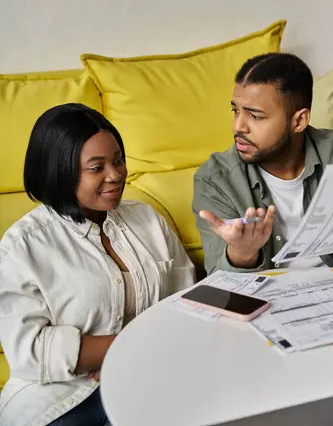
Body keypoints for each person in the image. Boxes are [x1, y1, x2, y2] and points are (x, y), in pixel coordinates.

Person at [0, 104, 195, 426]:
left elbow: (185, 304)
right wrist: (127, 350)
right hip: (61, 399)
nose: (116, 174)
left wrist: (133, 359)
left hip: (151, 378)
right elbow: (30, 352)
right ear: (60, 171)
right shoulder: (23, 247)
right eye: (96, 167)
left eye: (118, 160)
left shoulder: (147, 220)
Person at [193, 53, 333, 275]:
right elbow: (220, 284)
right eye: (236, 110)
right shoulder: (216, 180)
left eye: (255, 116)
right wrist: (242, 254)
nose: (238, 127)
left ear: (299, 120)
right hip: (271, 301)